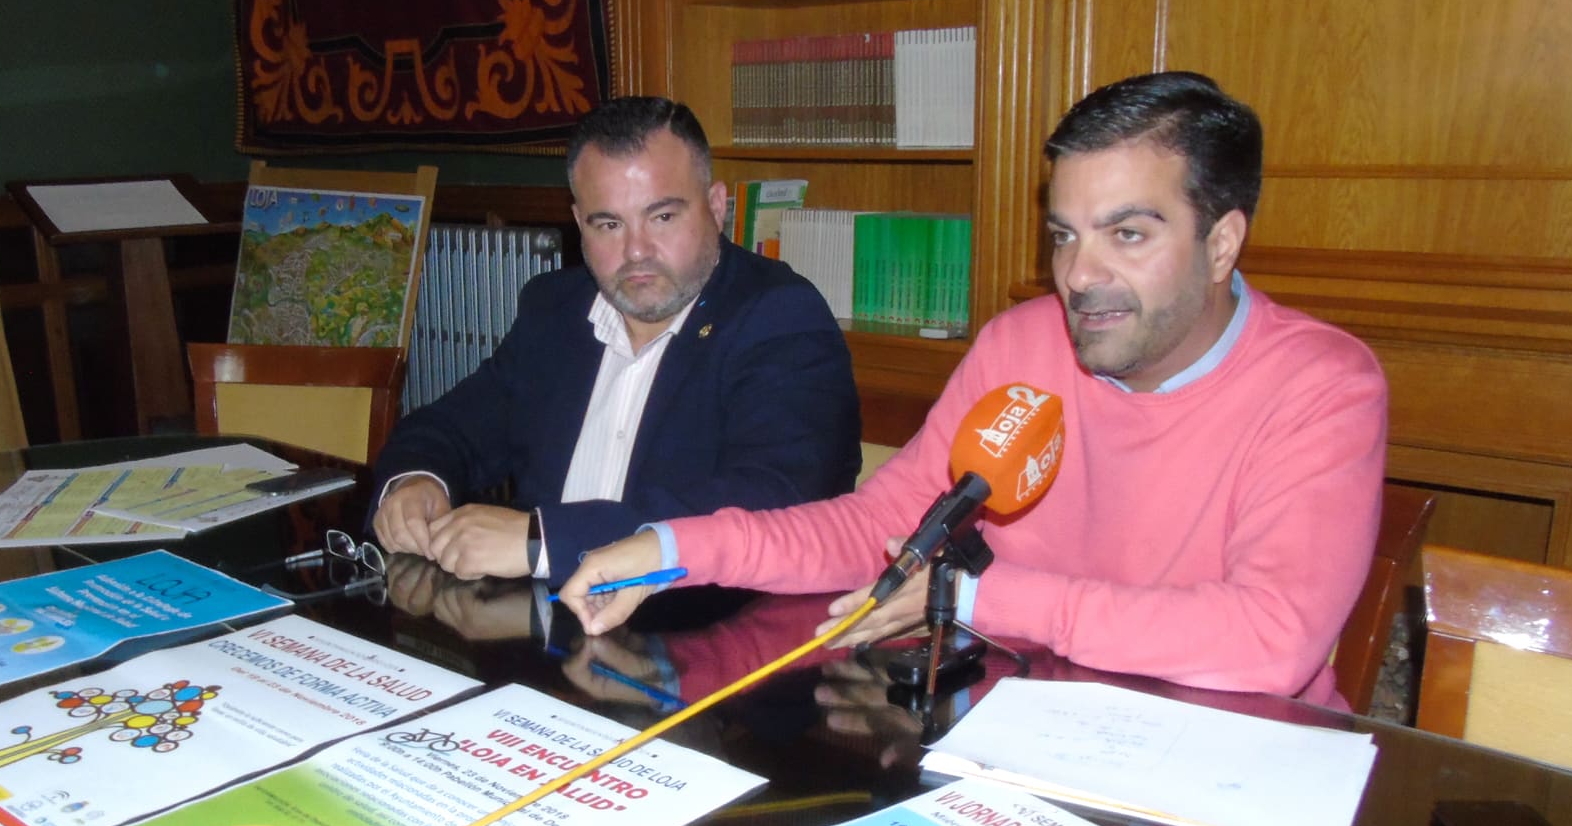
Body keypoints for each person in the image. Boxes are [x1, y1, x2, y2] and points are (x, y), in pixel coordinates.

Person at [559, 72, 1388, 704]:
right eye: (1063, 235)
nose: (1079, 276)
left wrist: (977, 598)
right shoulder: (1021, 345)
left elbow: (1270, 640)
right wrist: (673, 550)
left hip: (1226, 795)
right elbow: (882, 529)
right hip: (1021, 746)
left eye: (1127, 234)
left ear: (1221, 243)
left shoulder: (1321, 386)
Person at [371, 96, 861, 581]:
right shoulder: (556, 310)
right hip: (545, 630)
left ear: (716, 206)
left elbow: (772, 502)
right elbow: (455, 426)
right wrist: (418, 480)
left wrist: (543, 541)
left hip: (701, 635)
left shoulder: (780, 317)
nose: (636, 252)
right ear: (578, 222)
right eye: (608, 224)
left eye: (662, 217)